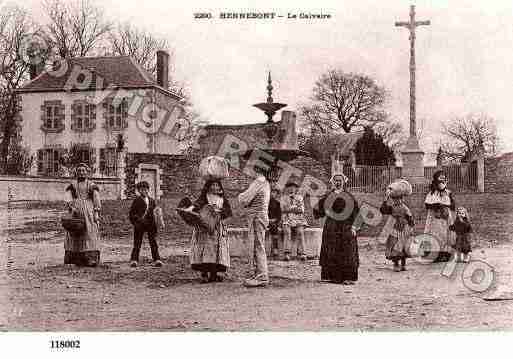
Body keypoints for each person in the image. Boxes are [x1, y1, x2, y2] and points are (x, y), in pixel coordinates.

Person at [313, 172, 361, 285]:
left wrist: (354, 227)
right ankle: (332, 276)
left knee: (347, 250)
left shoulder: (349, 196)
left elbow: (357, 213)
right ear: (332, 182)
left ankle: (348, 277)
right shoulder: (329, 196)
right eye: (336, 181)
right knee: (331, 249)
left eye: (340, 181)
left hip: (346, 226)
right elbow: (319, 209)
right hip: (332, 226)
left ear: (344, 182)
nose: (338, 183)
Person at [189, 179, 232, 283]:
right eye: (213, 185)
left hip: (217, 228)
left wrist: (220, 213)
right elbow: (196, 205)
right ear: (208, 187)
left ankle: (214, 274)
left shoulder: (222, 200)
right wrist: (190, 209)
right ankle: (204, 274)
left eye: (217, 185)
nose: (215, 187)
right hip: (205, 229)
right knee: (204, 250)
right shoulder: (204, 198)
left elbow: (228, 212)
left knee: (217, 251)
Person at [238, 168, 271, 287]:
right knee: (258, 245)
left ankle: (262, 276)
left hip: (257, 217)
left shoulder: (258, 182)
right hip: (261, 216)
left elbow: (244, 199)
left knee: (258, 246)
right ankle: (258, 273)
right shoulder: (266, 182)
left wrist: (240, 195)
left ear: (256, 170)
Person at [64, 163, 101, 267]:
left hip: (89, 211)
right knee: (74, 232)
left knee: (90, 232)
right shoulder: (72, 185)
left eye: (83, 170)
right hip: (75, 210)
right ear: (76, 172)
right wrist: (71, 207)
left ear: (87, 172)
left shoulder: (91, 185)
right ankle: (75, 258)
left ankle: (90, 259)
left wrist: (96, 212)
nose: (81, 172)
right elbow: (68, 197)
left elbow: (96, 199)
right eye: (79, 170)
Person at [424, 170, 456, 262]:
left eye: (444, 182)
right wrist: (438, 205)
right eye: (440, 182)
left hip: (446, 218)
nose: (442, 184)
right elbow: (427, 205)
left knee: (446, 234)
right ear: (436, 182)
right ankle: (435, 254)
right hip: (435, 218)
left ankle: (446, 254)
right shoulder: (432, 193)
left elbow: (452, 205)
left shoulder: (448, 193)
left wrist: (448, 204)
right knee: (436, 234)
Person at [128, 181, 163, 267]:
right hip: (140, 225)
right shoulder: (136, 201)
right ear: (139, 191)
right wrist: (136, 222)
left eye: (146, 189)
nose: (145, 191)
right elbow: (132, 214)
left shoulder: (151, 200)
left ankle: (157, 259)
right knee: (137, 243)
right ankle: (134, 260)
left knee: (153, 242)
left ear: (148, 190)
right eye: (142, 190)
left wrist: (158, 220)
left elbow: (155, 213)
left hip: (150, 224)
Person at [380, 188, 415, 272]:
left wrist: (410, 228)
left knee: (403, 247)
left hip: (404, 229)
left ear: (402, 199)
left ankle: (403, 264)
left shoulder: (405, 208)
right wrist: (385, 200)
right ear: (393, 200)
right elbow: (383, 210)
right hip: (394, 229)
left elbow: (410, 219)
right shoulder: (392, 208)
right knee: (394, 246)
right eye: (395, 199)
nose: (397, 201)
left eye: (399, 198)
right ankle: (396, 264)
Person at [280, 181, 308, 261]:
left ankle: (302, 253)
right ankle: (287, 253)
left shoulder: (299, 198)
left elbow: (302, 210)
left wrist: (290, 208)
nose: (292, 189)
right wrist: (295, 208)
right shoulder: (283, 198)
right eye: (290, 187)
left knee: (300, 232)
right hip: (287, 219)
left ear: (296, 189)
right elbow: (283, 209)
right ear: (287, 189)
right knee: (287, 232)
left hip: (298, 219)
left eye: (294, 187)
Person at [268, 186, 282, 259]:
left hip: (273, 222)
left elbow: (279, 215)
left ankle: (275, 251)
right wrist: (267, 219)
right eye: (271, 192)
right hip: (265, 221)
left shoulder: (277, 203)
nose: (272, 194)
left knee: (274, 228)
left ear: (276, 194)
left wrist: (274, 220)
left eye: (274, 192)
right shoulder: (266, 202)